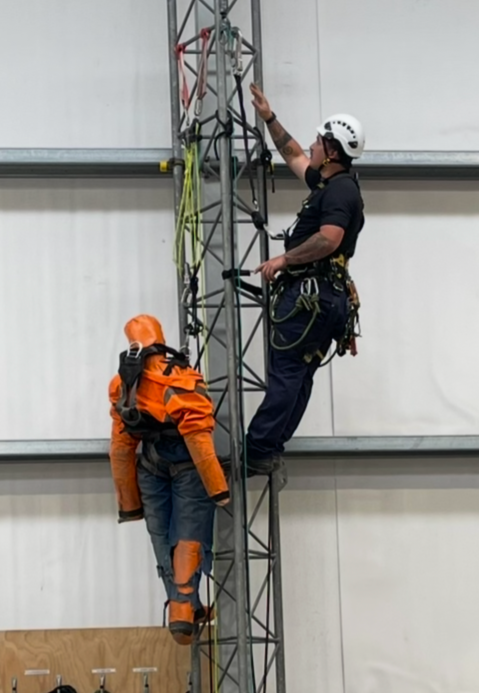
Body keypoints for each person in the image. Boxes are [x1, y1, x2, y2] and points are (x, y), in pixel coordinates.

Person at [245, 85, 366, 472]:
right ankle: (269, 447)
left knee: (288, 372)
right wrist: (268, 117)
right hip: (323, 297)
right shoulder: (329, 184)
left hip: (310, 296)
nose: (312, 146)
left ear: (332, 151)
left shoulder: (341, 191)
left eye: (319, 141)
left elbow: (328, 239)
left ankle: (257, 448)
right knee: (298, 374)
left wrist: (283, 259)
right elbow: (292, 154)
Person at [109, 313, 229, 644]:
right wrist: (218, 489)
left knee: (162, 539)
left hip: (150, 466)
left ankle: (187, 607)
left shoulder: (123, 384)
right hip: (188, 466)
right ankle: (181, 609)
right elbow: (199, 440)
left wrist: (129, 505)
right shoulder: (179, 378)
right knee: (188, 535)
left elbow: (120, 448)